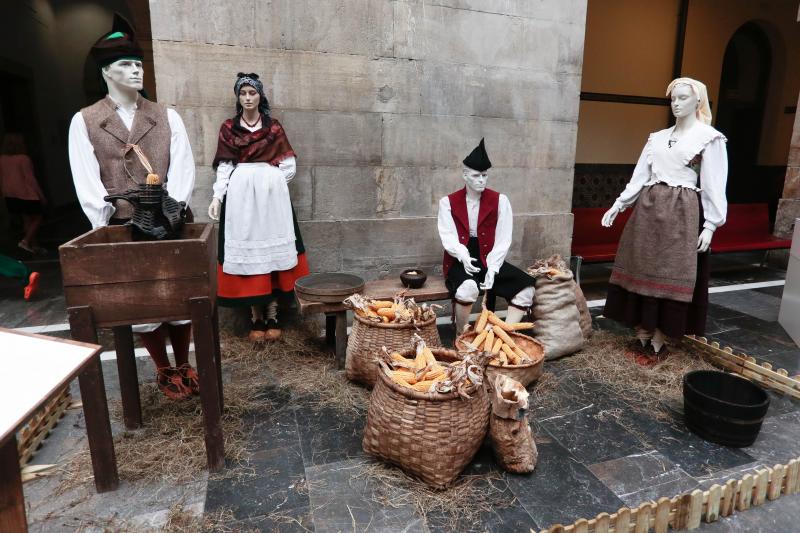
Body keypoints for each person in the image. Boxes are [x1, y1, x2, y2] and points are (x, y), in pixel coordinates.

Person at [68, 31, 198, 399]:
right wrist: (105, 223)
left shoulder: (165, 115)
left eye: (139, 63)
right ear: (107, 72)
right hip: (124, 225)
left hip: (169, 221)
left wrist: (172, 209)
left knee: (180, 296)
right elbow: (86, 177)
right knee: (142, 303)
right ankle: (163, 368)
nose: (136, 70)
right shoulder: (86, 120)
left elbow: (184, 166)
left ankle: (184, 362)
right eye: (126, 64)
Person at [601, 77, 728, 355]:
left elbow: (714, 183)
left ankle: (659, 336)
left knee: (671, 270)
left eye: (683, 98)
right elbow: (639, 177)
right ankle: (642, 331)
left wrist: (710, 225)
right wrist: (619, 204)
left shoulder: (708, 138)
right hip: (647, 210)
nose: (677, 103)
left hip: (682, 212)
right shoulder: (656, 138)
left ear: (698, 101)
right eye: (673, 98)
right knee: (641, 266)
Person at [208, 73, 309, 342]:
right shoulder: (229, 128)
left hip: (271, 199)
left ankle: (273, 313)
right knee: (249, 250)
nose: (248, 98)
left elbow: (288, 166)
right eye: (243, 93)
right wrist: (218, 197)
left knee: (272, 252)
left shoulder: (273, 128)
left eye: (253, 93)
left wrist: (269, 183)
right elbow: (226, 166)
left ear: (260, 96)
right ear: (238, 97)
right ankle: (256, 317)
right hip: (241, 199)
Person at [438, 138, 536, 333]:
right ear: (465, 176)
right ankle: (461, 333)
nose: (481, 180)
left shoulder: (500, 200)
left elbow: (503, 238)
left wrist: (492, 268)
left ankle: (505, 334)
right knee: (468, 288)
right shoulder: (447, 202)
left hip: (489, 256)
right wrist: (463, 255)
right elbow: (448, 236)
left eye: (484, 175)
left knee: (526, 289)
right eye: (476, 175)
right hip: (459, 259)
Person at [0, 133, 47, 255]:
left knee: (26, 219)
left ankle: (34, 246)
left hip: (10, 194)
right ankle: (25, 242)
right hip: (26, 194)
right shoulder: (23, 158)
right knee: (37, 218)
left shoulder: (2, 159)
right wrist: (41, 195)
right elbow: (30, 179)